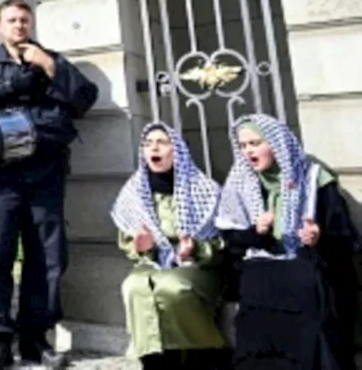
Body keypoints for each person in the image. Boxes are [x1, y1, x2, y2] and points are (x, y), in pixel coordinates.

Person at [0, 0, 98, 369]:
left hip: (43, 174)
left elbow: (84, 98)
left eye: (24, 20)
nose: (18, 26)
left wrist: (49, 67)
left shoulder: (50, 59)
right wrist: (3, 85)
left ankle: (36, 338)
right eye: (11, 20)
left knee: (47, 257)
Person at [216, 113, 360, 369]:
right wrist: (255, 231)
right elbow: (232, 243)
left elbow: (345, 239)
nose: (248, 151)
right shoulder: (240, 183)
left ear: (276, 143)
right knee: (255, 281)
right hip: (262, 265)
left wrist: (317, 237)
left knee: (304, 282)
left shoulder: (314, 179)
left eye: (255, 143)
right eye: (243, 146)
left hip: (312, 262)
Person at [111, 122, 227, 369]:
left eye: (162, 143)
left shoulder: (203, 190)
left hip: (198, 265)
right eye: (147, 143)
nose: (154, 148)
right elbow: (129, 243)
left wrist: (194, 248)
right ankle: (154, 362)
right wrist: (142, 247)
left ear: (178, 151)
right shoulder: (133, 193)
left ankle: (201, 356)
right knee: (134, 285)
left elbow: (221, 243)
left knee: (172, 287)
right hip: (153, 262)